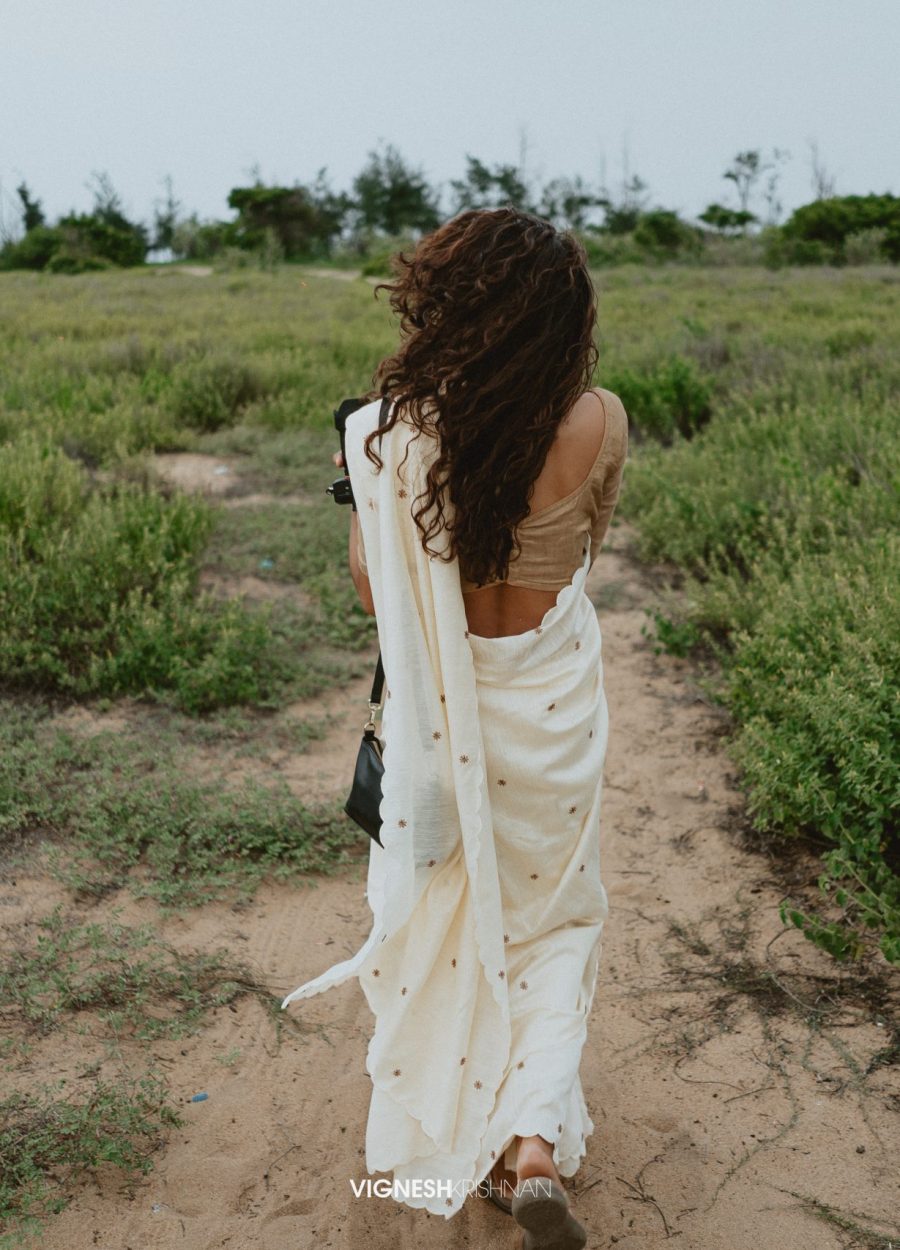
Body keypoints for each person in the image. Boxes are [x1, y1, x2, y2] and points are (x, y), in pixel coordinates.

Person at [282, 207, 628, 1249]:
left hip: (446, 707)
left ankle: (467, 1123)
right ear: (562, 320)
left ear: (448, 306)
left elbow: (372, 592)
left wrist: (373, 491)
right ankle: (531, 1140)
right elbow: (581, 553)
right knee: (558, 918)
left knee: (450, 909)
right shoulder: (598, 419)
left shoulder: (390, 434)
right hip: (554, 695)